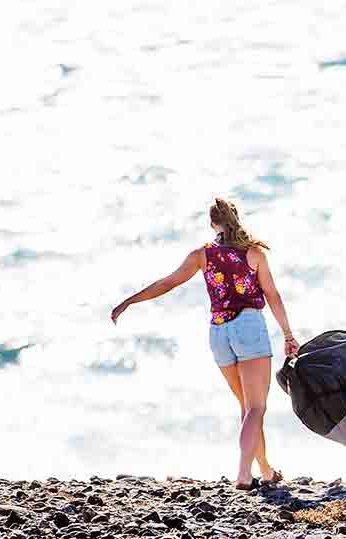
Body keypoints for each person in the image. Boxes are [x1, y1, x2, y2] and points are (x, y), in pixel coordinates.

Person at [111, 198, 299, 489]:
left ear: (213, 223)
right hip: (249, 327)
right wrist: (288, 334)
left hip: (219, 331)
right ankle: (243, 475)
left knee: (247, 407)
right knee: (256, 408)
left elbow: (168, 283)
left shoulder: (202, 255)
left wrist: (129, 301)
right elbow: (272, 295)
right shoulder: (254, 253)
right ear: (235, 218)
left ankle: (265, 471)